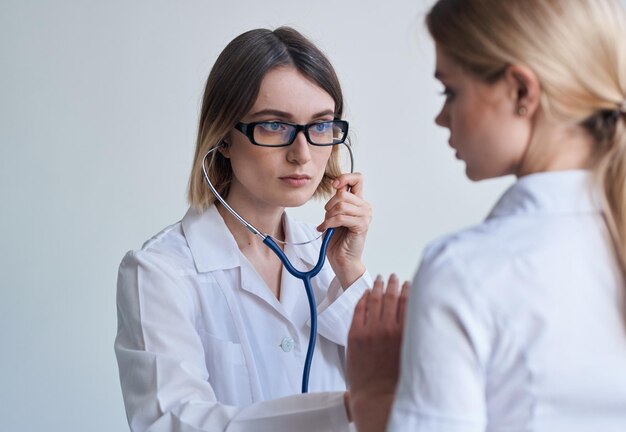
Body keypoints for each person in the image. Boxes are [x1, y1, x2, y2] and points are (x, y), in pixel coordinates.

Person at [346, 0, 626, 431]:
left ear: (521, 91)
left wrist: (376, 393)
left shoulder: (464, 271)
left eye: (450, 91)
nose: (441, 117)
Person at [115, 27, 372, 432]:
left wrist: (351, 271)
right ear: (224, 137)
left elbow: (402, 394)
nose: (302, 154)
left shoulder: (327, 259)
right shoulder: (159, 273)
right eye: (274, 125)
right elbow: (170, 421)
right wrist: (340, 411)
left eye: (320, 126)